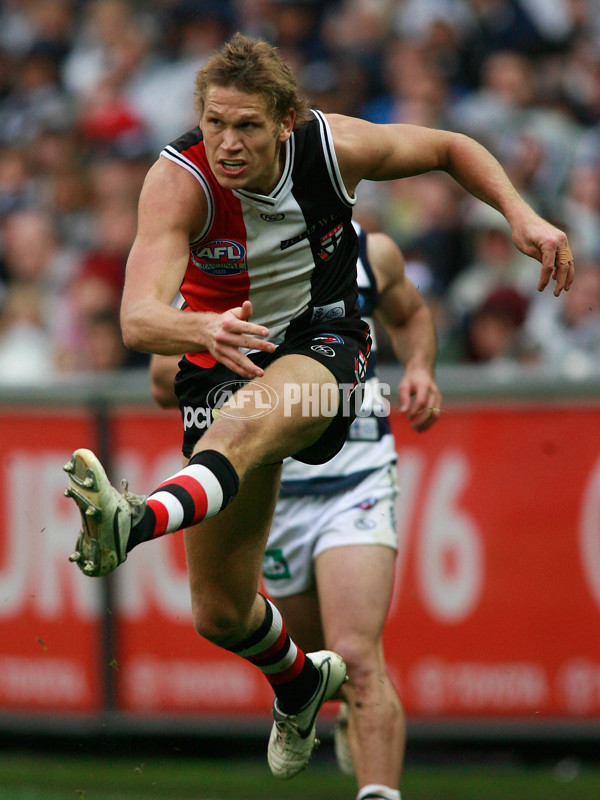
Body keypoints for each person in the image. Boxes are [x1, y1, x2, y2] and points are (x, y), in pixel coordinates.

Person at [63, 32, 574, 791]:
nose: (228, 144)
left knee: (247, 435)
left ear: (287, 122)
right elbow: (138, 322)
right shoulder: (179, 181)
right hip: (222, 353)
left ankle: (132, 522)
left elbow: (449, 146)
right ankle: (300, 685)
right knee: (222, 615)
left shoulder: (333, 148)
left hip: (322, 342)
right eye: (214, 124)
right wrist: (200, 327)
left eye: (247, 126)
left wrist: (520, 217)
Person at [148, 223, 440, 800]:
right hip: (275, 498)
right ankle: (335, 705)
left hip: (355, 479)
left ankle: (379, 787)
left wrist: (421, 368)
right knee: (323, 669)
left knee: (357, 656)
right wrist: (215, 342)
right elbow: (164, 380)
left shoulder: (371, 250)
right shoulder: (225, 266)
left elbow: (409, 314)